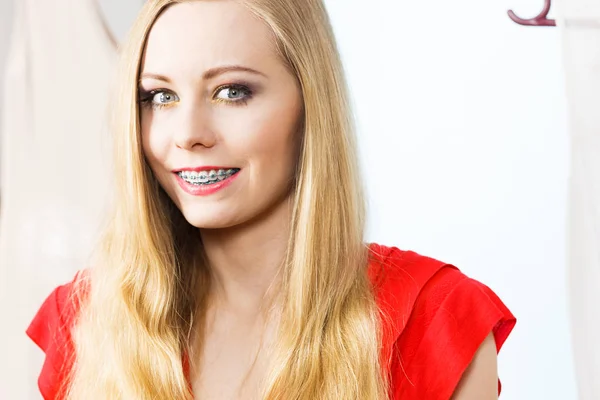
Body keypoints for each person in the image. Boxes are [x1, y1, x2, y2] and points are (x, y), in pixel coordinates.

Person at [26, 0, 516, 399]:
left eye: (231, 91)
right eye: (159, 97)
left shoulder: (434, 320)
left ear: (310, 105)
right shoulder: (82, 322)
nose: (188, 135)